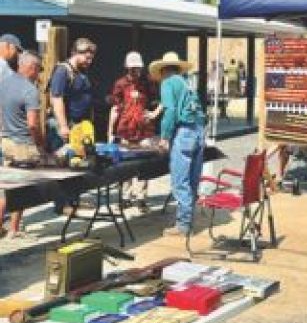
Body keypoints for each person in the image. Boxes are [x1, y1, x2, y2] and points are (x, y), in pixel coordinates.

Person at [149, 52, 205, 236]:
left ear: (162, 70)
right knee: (193, 178)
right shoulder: (186, 82)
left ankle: (183, 225)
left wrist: (164, 137)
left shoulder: (167, 83)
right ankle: (189, 219)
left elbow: (171, 111)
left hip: (185, 133)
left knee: (180, 180)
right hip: (198, 131)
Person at [108, 51, 161, 212]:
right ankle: (125, 197)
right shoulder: (120, 84)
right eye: (132, 68)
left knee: (145, 164)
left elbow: (160, 101)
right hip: (125, 129)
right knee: (125, 164)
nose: (135, 71)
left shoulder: (148, 84)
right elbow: (115, 108)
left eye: (137, 68)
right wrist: (110, 132)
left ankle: (141, 199)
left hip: (144, 129)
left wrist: (153, 114)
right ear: (127, 68)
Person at [48, 38, 96, 214]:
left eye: (91, 58)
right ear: (76, 53)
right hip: (66, 125)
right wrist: (62, 126)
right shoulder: (62, 71)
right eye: (87, 57)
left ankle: (74, 201)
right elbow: (56, 98)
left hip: (80, 126)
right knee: (64, 167)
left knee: (77, 164)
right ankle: (63, 205)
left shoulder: (82, 72)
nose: (89, 61)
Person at [0, 51, 45, 238]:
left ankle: (10, 228)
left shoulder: (4, 84)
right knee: (22, 190)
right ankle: (13, 229)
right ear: (32, 68)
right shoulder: (30, 90)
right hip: (24, 145)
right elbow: (33, 124)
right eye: (39, 70)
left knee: (6, 187)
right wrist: (41, 145)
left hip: (6, 141)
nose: (39, 74)